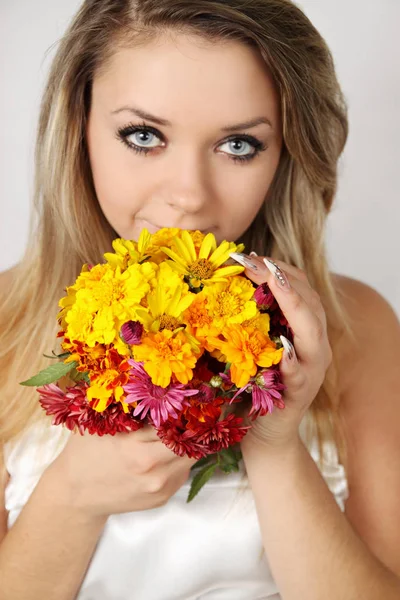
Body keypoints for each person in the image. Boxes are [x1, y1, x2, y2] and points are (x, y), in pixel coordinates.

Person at [0, 0, 399, 598]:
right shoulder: (6, 320)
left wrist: (275, 443)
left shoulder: (355, 323)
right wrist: (71, 497)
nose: (188, 196)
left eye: (238, 145)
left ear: (285, 153)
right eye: (143, 136)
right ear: (78, 126)